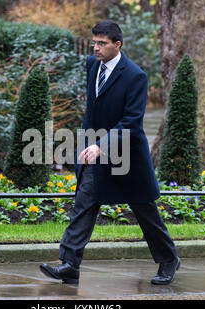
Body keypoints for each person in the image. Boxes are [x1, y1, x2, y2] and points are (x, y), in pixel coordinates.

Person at [39, 20, 180, 285]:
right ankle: (69, 263)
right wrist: (87, 143)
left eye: (102, 43)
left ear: (118, 45)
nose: (96, 48)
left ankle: (168, 260)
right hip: (95, 153)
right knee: (84, 203)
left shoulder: (135, 76)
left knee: (145, 211)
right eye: (94, 42)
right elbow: (92, 112)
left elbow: (131, 121)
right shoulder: (92, 65)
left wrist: (102, 144)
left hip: (128, 157)